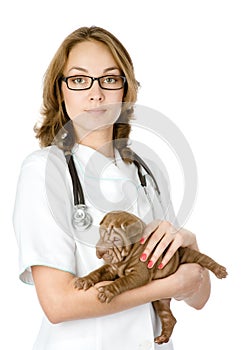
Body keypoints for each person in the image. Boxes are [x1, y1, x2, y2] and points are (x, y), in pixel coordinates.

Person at [13, 26, 211, 350]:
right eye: (79, 80)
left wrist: (193, 253)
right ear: (60, 91)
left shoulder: (148, 167)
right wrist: (169, 285)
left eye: (109, 78)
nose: (96, 93)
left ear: (124, 87)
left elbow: (199, 295)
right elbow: (58, 304)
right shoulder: (43, 171)